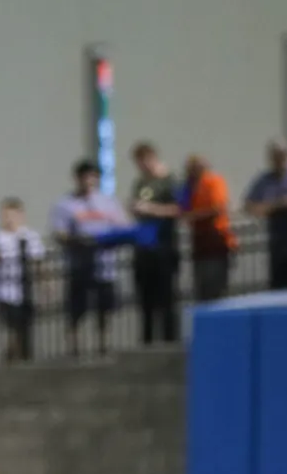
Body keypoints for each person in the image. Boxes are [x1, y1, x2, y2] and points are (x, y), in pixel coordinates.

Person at [50, 161, 130, 358]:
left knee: (105, 306)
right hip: (80, 265)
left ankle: (103, 343)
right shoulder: (65, 204)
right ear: (77, 178)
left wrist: (113, 238)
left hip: (105, 265)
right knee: (78, 307)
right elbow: (59, 233)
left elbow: (122, 226)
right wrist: (79, 240)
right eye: (85, 176)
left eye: (93, 176)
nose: (89, 181)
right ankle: (74, 345)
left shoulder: (108, 203)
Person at [244, 140, 287, 290]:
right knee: (281, 281)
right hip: (279, 236)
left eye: (283, 155)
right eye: (275, 156)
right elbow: (249, 205)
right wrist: (277, 205)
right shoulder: (264, 180)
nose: (279, 160)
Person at [129, 142, 181, 345]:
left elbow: (177, 209)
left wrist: (151, 209)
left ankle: (170, 341)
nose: (141, 166)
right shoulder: (140, 183)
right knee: (146, 301)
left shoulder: (168, 181)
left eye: (143, 160)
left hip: (164, 246)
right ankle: (147, 342)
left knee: (166, 299)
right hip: (144, 249)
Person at [0, 198, 44, 363]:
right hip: (4, 290)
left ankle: (20, 356)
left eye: (12, 214)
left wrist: (44, 286)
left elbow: (38, 262)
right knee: (12, 325)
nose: (8, 218)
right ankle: (12, 355)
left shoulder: (30, 236)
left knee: (24, 326)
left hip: (25, 290)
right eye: (5, 214)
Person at [180, 155, 237, 302]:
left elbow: (217, 208)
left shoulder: (213, 182)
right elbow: (182, 209)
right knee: (202, 291)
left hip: (216, 242)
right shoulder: (189, 187)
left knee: (215, 290)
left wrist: (195, 216)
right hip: (200, 245)